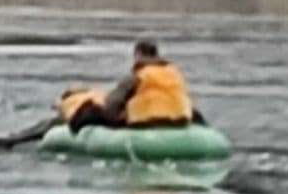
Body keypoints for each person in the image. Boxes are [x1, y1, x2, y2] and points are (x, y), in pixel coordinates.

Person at [68, 39, 202, 133]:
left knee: (91, 109)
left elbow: (112, 104)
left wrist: (114, 116)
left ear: (138, 54)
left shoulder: (138, 76)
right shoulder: (175, 74)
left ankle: (73, 130)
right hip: (179, 121)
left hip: (146, 122)